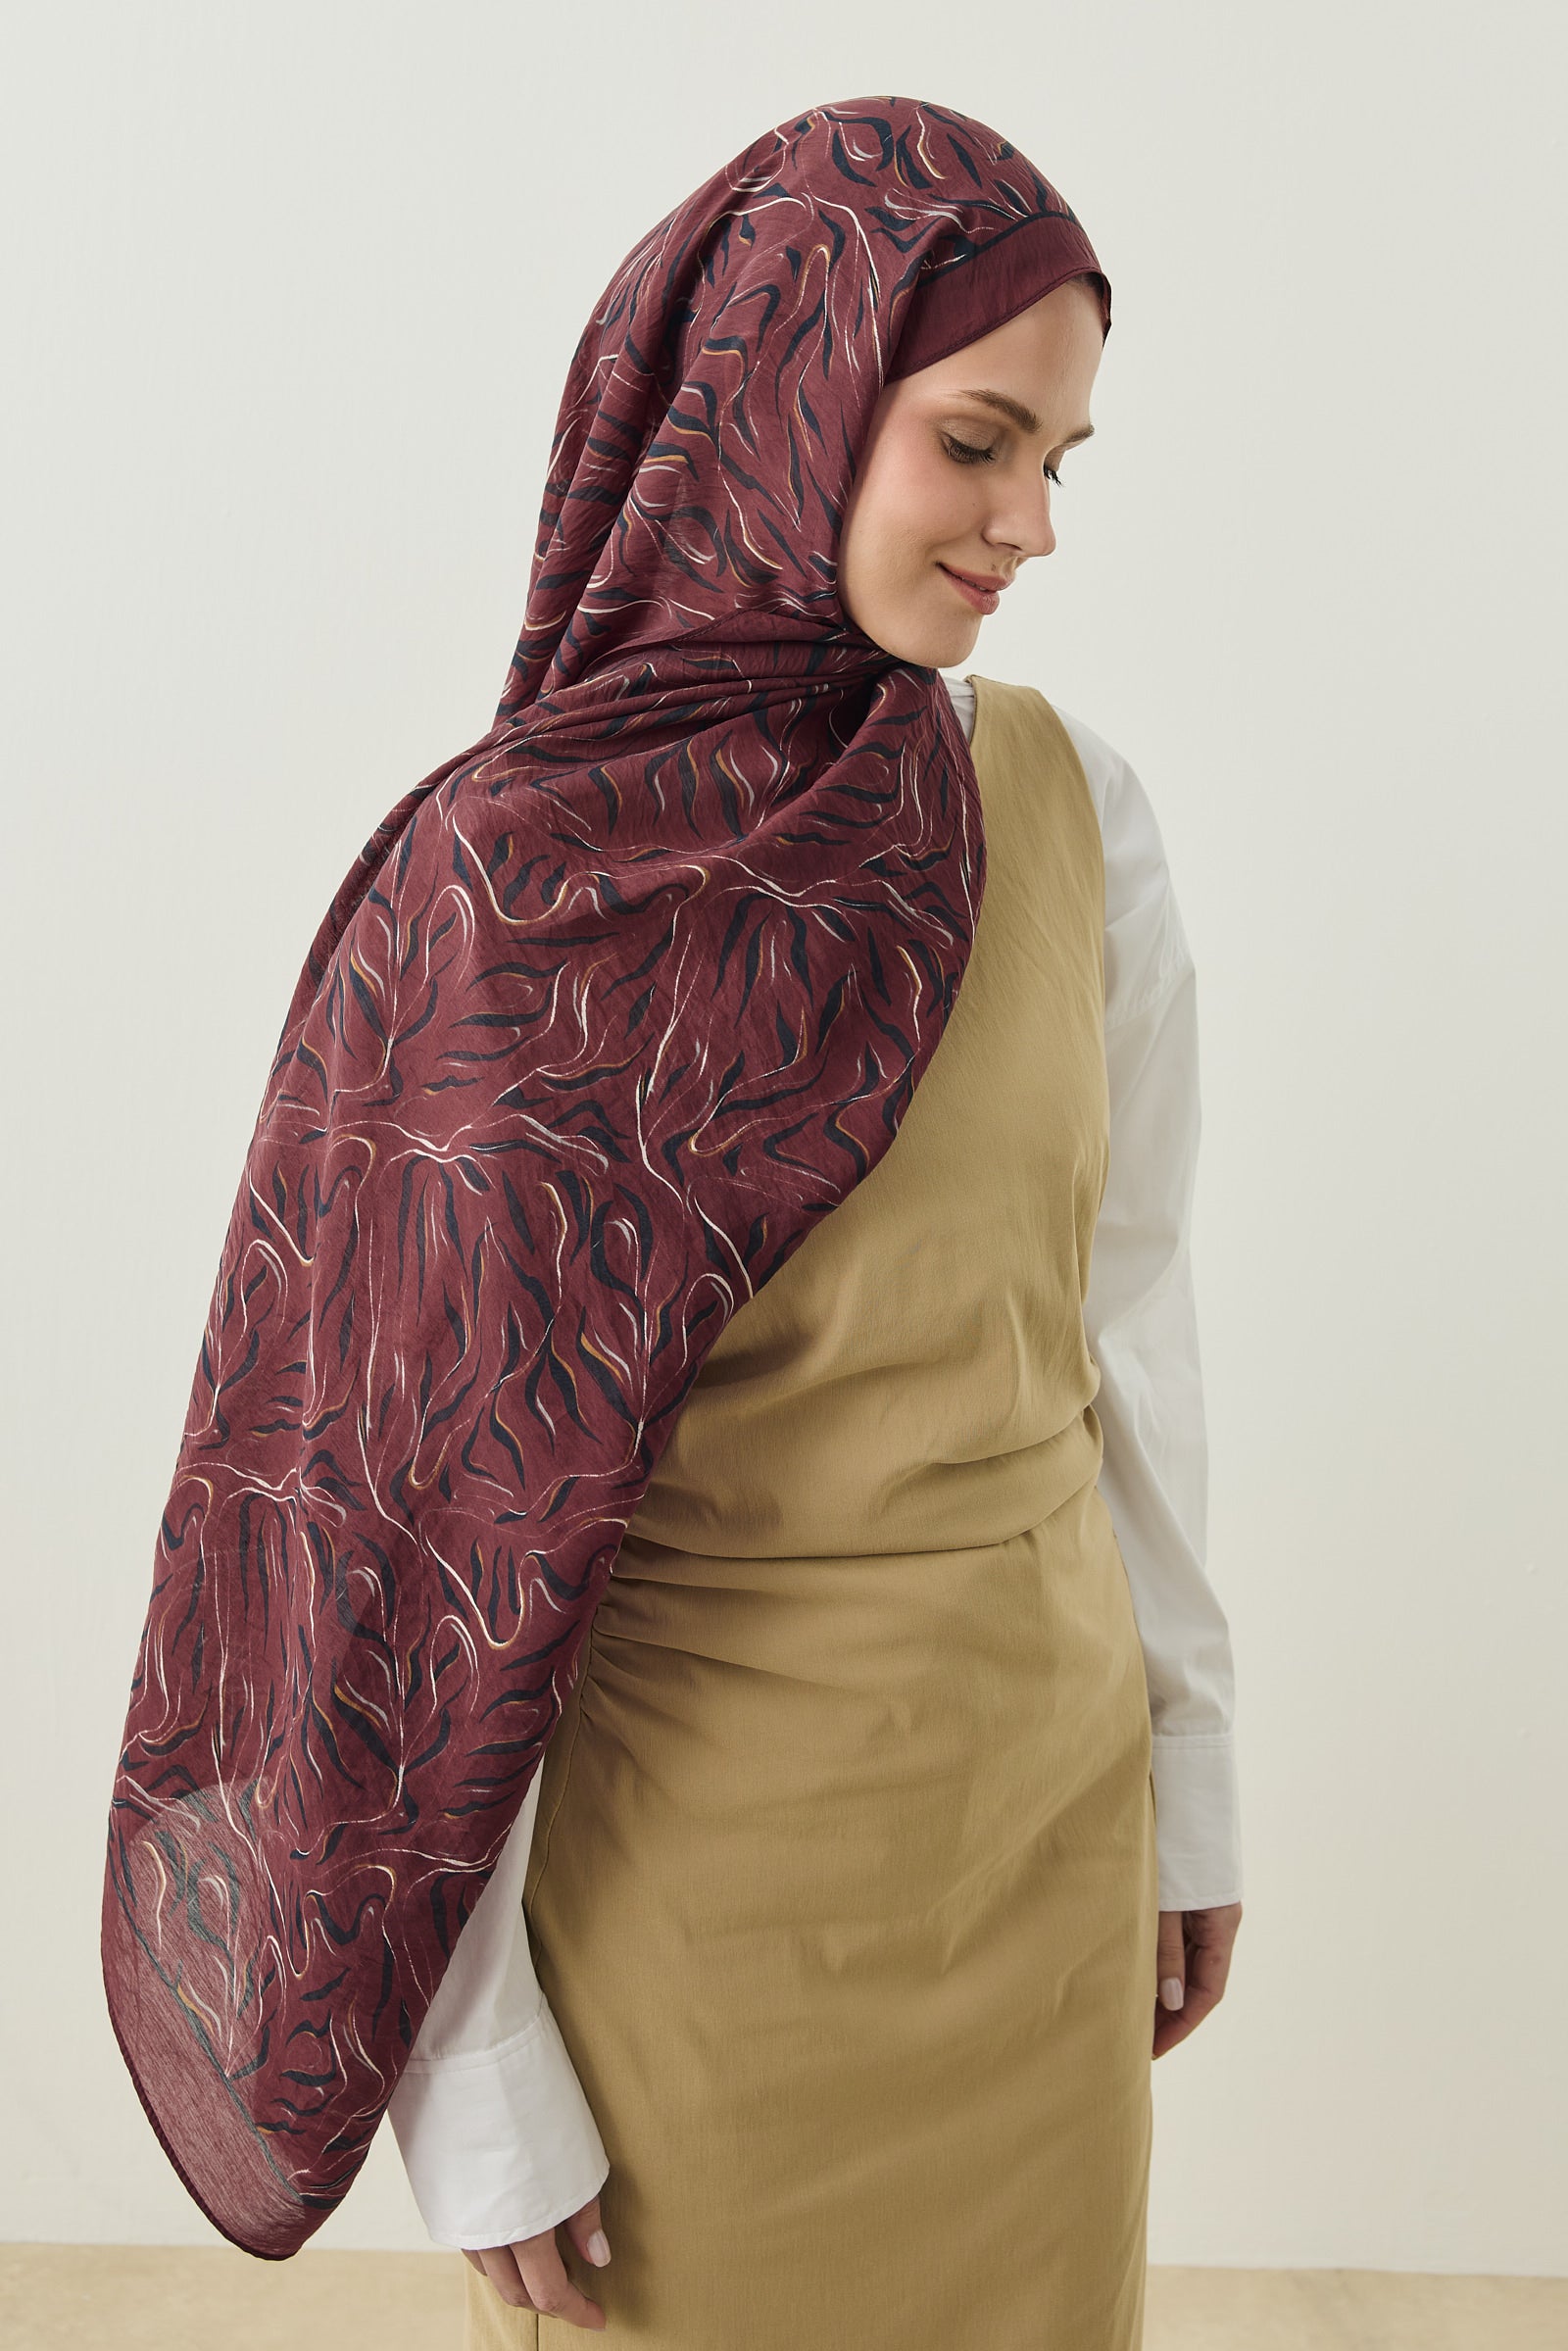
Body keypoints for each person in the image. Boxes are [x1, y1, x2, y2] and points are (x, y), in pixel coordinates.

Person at [99, 94, 1241, 2350]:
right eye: (973, 444)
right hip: (684, 1904)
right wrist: (473, 2072)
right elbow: (400, 1529)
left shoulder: (1067, 809)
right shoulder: (500, 893)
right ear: (785, 398)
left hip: (1036, 1834)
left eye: (1058, 463)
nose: (1028, 525)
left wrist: (1185, 1780)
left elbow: (1126, 1324)